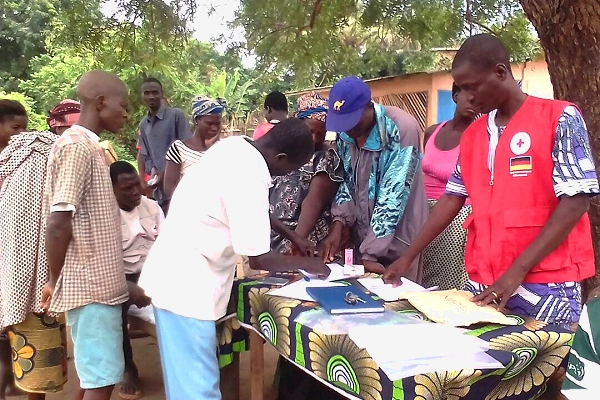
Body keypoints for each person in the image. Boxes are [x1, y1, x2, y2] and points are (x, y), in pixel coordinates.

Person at [383, 34, 598, 332]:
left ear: (500, 72)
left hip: (547, 283)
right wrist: (407, 257)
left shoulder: (559, 118)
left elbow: (576, 200)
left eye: (473, 87)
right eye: (461, 89)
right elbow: (452, 198)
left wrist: (515, 273)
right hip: (484, 280)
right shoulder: (473, 135)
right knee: (489, 369)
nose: (468, 97)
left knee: (547, 369)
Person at [138, 118, 330, 400]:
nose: (285, 176)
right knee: (198, 390)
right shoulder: (249, 174)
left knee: (185, 384)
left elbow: (248, 209)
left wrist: (293, 236)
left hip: (174, 277)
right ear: (280, 158)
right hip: (186, 288)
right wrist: (311, 265)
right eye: (289, 169)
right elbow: (260, 260)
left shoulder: (234, 147)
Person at [42, 70, 151, 400]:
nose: (126, 113)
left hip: (98, 286)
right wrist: (52, 280)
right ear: (101, 103)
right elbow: (59, 221)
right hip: (90, 290)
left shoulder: (90, 147)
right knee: (101, 382)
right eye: (123, 104)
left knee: (95, 378)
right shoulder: (77, 147)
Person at [0, 101, 75, 400]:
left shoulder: (31, 158)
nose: (21, 134)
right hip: (10, 270)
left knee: (35, 354)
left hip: (22, 275)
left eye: (24, 127)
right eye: (14, 128)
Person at [318, 76, 428, 279]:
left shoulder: (402, 128)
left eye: (351, 121)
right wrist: (338, 224)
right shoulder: (345, 135)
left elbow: (394, 193)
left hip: (399, 240)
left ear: (369, 106)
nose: (347, 129)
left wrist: (370, 252)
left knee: (400, 303)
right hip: (363, 240)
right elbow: (346, 183)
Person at [110, 161, 164, 400]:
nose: (135, 193)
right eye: (127, 189)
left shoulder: (152, 207)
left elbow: (168, 248)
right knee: (113, 307)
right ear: (111, 190)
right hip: (122, 278)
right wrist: (129, 286)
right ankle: (127, 368)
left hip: (155, 273)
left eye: (137, 186)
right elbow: (105, 264)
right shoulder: (105, 216)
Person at [269, 92, 343, 254]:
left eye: (321, 134)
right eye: (310, 131)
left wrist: (296, 243)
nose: (315, 139)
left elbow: (314, 202)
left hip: (303, 241)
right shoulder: (281, 153)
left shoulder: (325, 157)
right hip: (273, 237)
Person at [420, 83, 477, 290]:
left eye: (478, 96)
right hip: (425, 213)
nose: (473, 100)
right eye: (468, 93)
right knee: (422, 280)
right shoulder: (432, 132)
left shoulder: (478, 137)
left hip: (456, 216)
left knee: (446, 285)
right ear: (455, 95)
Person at [136, 77, 192, 211]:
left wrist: (166, 173)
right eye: (147, 93)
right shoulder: (144, 124)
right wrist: (144, 179)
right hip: (159, 190)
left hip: (180, 184)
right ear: (142, 96)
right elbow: (144, 154)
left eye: (155, 92)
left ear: (161, 93)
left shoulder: (176, 116)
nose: (151, 96)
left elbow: (187, 148)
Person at [163, 96, 224, 199]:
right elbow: (169, 189)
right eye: (209, 123)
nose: (214, 128)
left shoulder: (223, 149)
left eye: (217, 124)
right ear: (196, 120)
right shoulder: (179, 149)